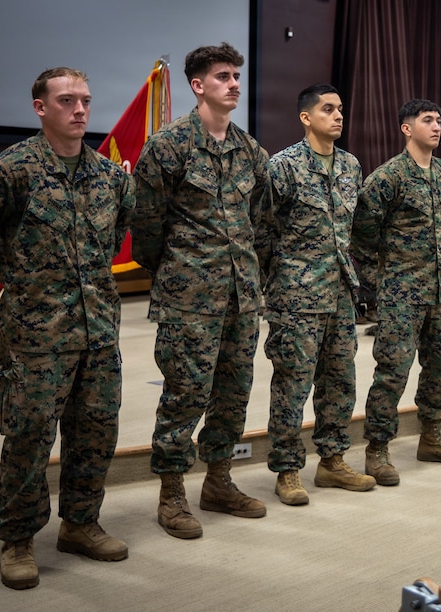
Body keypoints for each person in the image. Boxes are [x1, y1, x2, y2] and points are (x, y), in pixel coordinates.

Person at [0, 67, 132, 590]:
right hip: (35, 337)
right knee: (28, 438)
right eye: (66, 100)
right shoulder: (14, 169)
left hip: (98, 333)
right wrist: (15, 268)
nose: (80, 110)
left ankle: (80, 524)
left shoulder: (111, 177)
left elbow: (114, 238)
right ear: (40, 108)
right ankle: (18, 539)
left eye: (86, 101)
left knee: (95, 432)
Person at [132, 43, 268, 540]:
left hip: (241, 297)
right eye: (223, 76)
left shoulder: (250, 149)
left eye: (236, 75)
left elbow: (263, 221)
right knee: (185, 394)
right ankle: (171, 494)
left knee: (233, 394)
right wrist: (178, 270)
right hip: (189, 298)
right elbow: (145, 226)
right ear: (198, 85)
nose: (234, 83)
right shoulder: (168, 146)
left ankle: (219, 481)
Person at [258, 84, 375, 504]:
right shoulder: (284, 166)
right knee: (293, 382)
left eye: (341, 109)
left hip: (340, 291)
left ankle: (332, 461)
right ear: (306, 117)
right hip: (296, 293)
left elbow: (351, 229)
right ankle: (288, 469)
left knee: (340, 380)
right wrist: (280, 280)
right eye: (328, 109)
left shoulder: (350, 165)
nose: (338, 116)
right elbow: (263, 230)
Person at [353, 98, 441, 483]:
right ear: (407, 128)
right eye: (427, 120)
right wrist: (383, 280)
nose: (437, 126)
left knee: (440, 369)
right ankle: (377, 449)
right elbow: (362, 236)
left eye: (439, 119)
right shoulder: (388, 178)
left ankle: (432, 436)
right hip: (402, 294)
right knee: (392, 372)